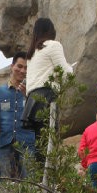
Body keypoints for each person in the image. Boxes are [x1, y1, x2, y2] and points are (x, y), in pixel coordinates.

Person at [24, 18, 74, 146]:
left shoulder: (32, 54)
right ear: (50, 31)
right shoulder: (53, 45)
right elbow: (67, 75)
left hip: (31, 102)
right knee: (50, 145)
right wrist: (71, 67)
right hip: (46, 98)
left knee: (40, 146)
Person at [0, 53, 35, 180]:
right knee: (3, 181)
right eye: (19, 66)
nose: (22, 70)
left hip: (27, 143)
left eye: (26, 68)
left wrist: (28, 96)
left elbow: (38, 116)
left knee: (29, 182)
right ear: (12, 66)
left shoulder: (32, 91)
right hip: (4, 142)